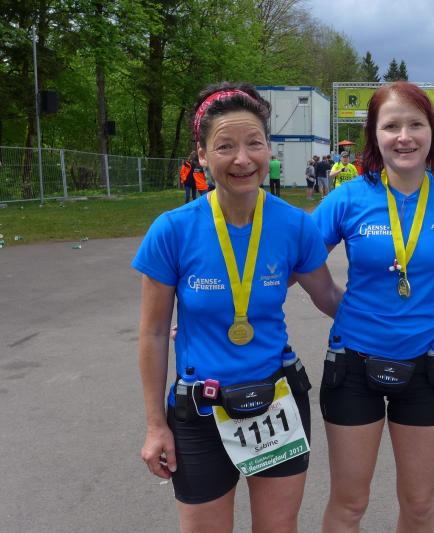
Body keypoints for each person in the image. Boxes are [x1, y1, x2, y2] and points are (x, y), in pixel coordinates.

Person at [134, 82, 342, 532]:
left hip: (275, 400)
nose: (242, 159)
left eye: (254, 143)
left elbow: (330, 298)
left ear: (270, 149)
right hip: (200, 409)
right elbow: (153, 333)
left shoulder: (294, 225)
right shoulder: (172, 230)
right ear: (202, 155)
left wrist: (397, 316)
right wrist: (155, 426)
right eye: (225, 146)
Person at [311, 81, 434, 533]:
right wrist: (216, 314)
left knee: (419, 504)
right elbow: (292, 263)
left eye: (416, 125)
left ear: (433, 133)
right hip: (353, 366)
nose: (404, 136)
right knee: (350, 504)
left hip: (424, 367)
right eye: (391, 126)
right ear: (375, 136)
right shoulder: (348, 198)